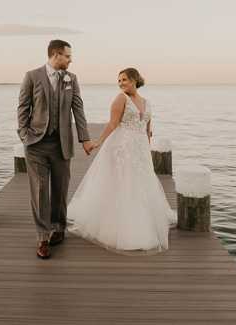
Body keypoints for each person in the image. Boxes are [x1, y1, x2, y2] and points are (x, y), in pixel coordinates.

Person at [67, 68, 176, 255]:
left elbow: (147, 130)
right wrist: (98, 143)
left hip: (140, 149)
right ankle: (121, 226)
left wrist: (146, 154)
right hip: (122, 147)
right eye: (119, 81)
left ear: (134, 80)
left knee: (139, 183)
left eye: (124, 79)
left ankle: (141, 220)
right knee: (123, 183)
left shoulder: (147, 102)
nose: (120, 84)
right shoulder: (121, 98)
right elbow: (113, 123)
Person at [17, 39, 93, 259]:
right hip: (36, 144)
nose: (71, 60)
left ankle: (58, 229)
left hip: (62, 144)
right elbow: (23, 106)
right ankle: (42, 237)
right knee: (40, 191)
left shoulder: (71, 79)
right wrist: (24, 134)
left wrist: (84, 138)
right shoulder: (32, 76)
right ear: (56, 55)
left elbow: (78, 109)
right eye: (68, 56)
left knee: (60, 189)